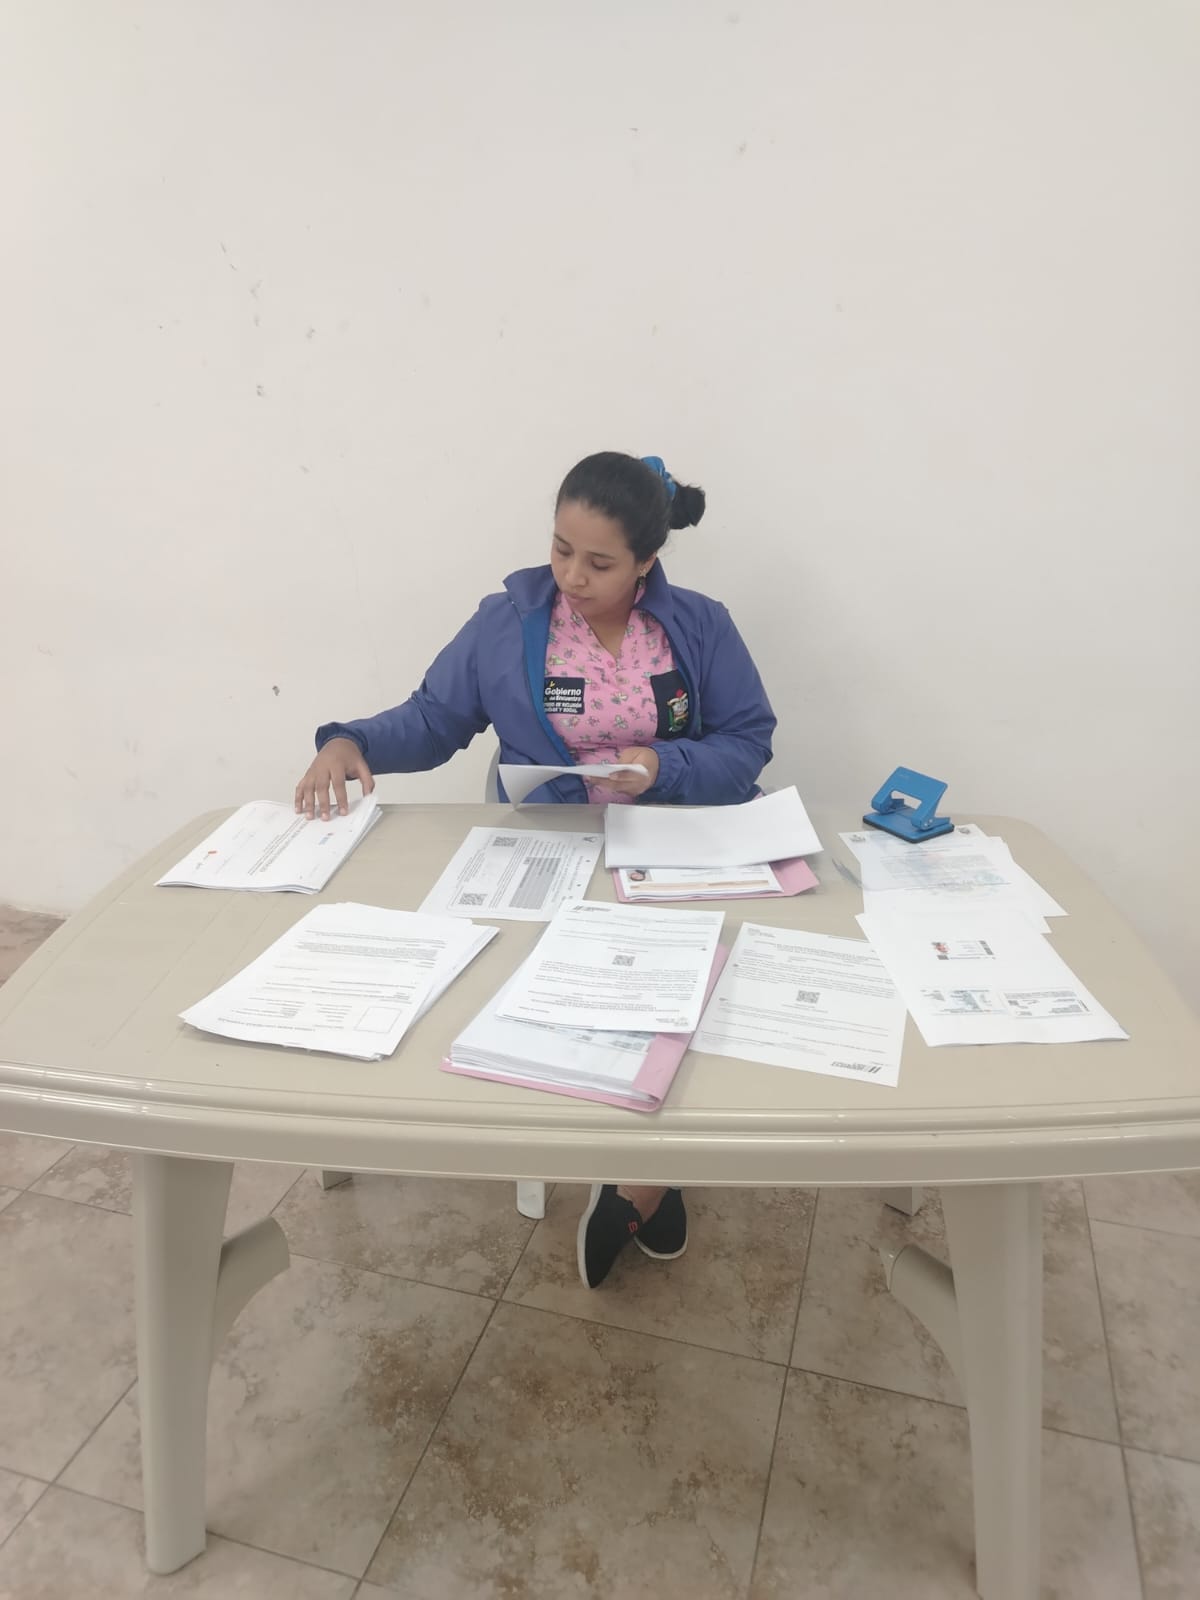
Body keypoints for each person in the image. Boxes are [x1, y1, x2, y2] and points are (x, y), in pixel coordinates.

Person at [295, 452, 776, 1287]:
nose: (572, 577)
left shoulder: (699, 625)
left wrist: (665, 766)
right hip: (552, 848)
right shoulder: (509, 622)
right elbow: (433, 719)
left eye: (600, 562)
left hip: (671, 847)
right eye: (560, 550)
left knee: (682, 1005)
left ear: (646, 563)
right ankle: (629, 1173)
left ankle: (639, 1180)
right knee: (558, 1008)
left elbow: (746, 740)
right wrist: (350, 740)